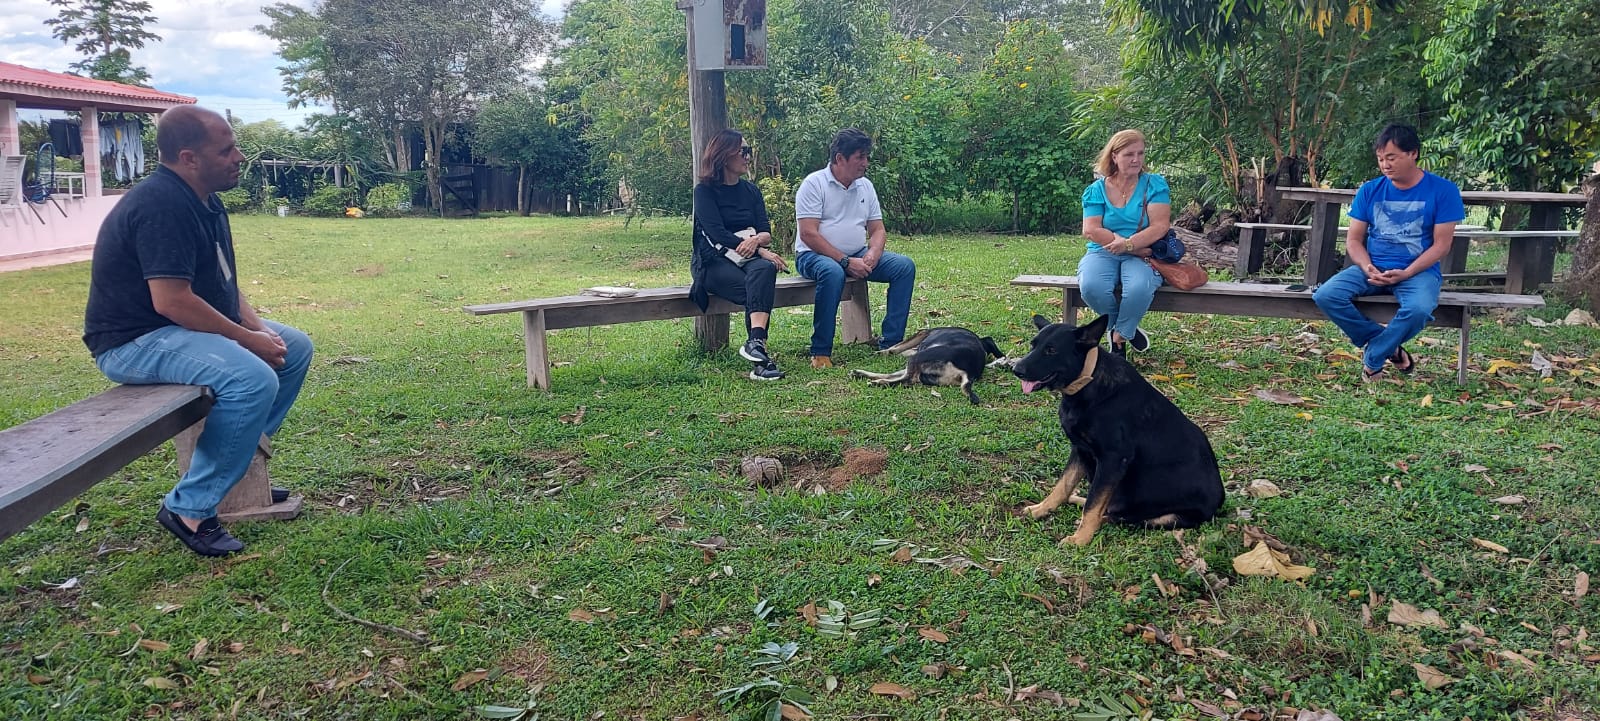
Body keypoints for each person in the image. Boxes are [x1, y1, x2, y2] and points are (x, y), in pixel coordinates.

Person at [82, 105, 314, 557]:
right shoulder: (161, 205)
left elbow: (224, 283)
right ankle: (189, 508)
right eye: (226, 150)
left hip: (177, 330)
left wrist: (259, 329)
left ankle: (237, 468)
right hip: (134, 341)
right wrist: (247, 341)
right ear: (189, 158)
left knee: (295, 348)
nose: (238, 157)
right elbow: (171, 300)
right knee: (252, 378)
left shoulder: (206, 201)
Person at [1313, 123, 1464, 382]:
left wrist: (1407, 272)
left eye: (1391, 157)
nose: (1385, 165)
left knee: (1419, 309)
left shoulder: (1443, 190)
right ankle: (1386, 344)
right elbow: (1354, 240)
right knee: (1326, 295)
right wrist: (1367, 266)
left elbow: (1442, 245)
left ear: (1413, 153)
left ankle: (1374, 356)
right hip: (1372, 268)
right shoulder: (1370, 190)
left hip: (1418, 272)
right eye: (1381, 159)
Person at [794, 128, 917, 368]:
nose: (865, 163)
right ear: (840, 158)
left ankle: (892, 343)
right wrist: (844, 261)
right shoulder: (814, 184)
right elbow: (808, 233)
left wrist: (873, 253)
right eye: (860, 157)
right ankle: (820, 352)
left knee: (904, 267)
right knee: (833, 272)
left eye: (866, 157)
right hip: (813, 255)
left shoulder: (865, 186)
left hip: (857, 254)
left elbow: (878, 229)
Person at [691, 128, 789, 381]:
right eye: (743, 151)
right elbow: (717, 234)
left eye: (749, 151)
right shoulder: (704, 192)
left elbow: (766, 232)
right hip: (712, 262)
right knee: (757, 290)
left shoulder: (751, 191)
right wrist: (760, 249)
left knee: (764, 271)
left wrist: (757, 242)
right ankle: (762, 361)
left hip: (747, 260)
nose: (748, 156)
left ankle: (756, 343)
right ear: (724, 155)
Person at [1078, 128, 1168, 357]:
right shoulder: (1096, 190)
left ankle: (1118, 339)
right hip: (1103, 250)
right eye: (1129, 154)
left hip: (1143, 251)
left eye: (1141, 153)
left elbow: (1159, 226)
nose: (1136, 159)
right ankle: (1126, 327)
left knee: (1139, 287)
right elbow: (1090, 229)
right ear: (1114, 156)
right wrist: (1120, 244)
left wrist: (1129, 245)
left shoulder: (1154, 185)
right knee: (1091, 287)